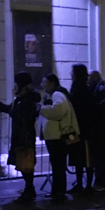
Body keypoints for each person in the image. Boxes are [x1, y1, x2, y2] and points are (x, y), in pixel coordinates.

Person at [0, 72, 41, 204]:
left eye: (16, 84)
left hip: (25, 136)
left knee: (25, 164)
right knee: (22, 164)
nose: (14, 87)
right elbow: (9, 109)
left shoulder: (28, 99)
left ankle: (29, 189)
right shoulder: (21, 98)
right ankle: (29, 188)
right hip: (19, 135)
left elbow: (17, 114)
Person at [39, 73, 79, 201]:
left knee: (58, 165)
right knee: (57, 165)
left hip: (57, 137)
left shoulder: (58, 95)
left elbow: (58, 111)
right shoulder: (52, 95)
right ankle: (56, 191)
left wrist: (42, 109)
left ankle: (59, 192)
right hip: (54, 136)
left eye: (44, 82)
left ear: (51, 83)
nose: (42, 84)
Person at [68, 64, 94, 194]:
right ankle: (80, 184)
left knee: (86, 158)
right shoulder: (77, 88)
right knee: (79, 158)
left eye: (72, 72)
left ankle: (88, 185)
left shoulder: (83, 89)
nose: (70, 75)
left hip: (84, 129)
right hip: (79, 128)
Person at [88, 70, 105, 191]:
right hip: (99, 129)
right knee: (98, 156)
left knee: (101, 157)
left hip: (101, 129)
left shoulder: (101, 89)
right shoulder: (97, 89)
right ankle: (99, 181)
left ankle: (101, 182)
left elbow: (103, 106)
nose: (88, 79)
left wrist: (92, 107)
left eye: (90, 77)